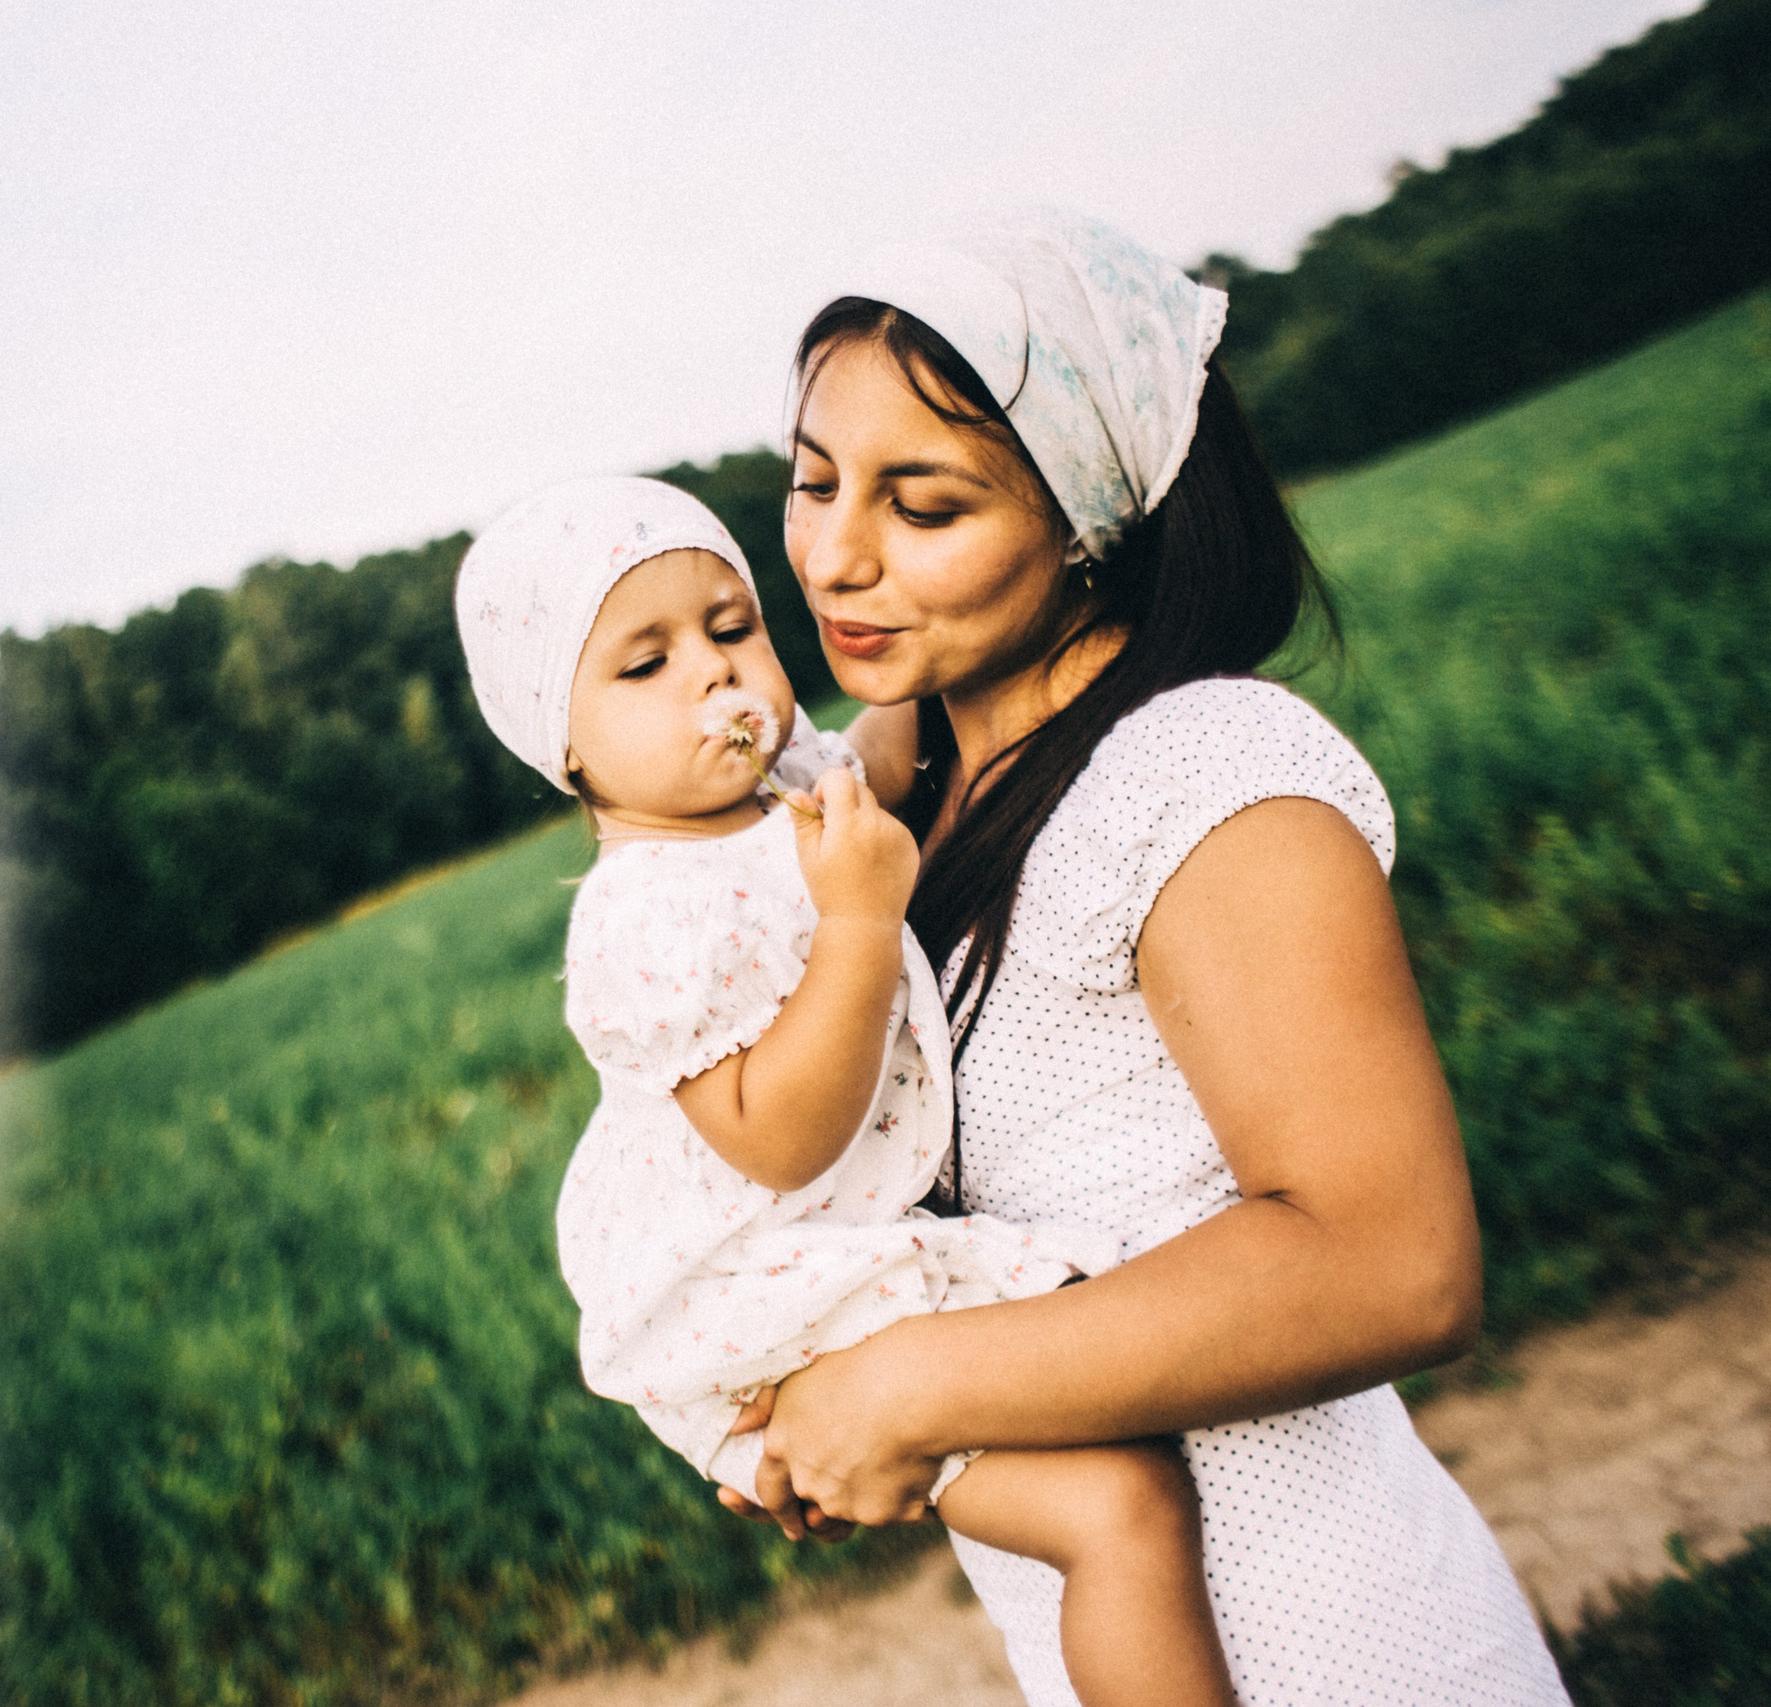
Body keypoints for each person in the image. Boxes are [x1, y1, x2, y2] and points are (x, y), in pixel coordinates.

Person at [710, 208, 1571, 1705]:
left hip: (1341, 1650)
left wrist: (909, 1385)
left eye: (923, 506)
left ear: (1090, 517)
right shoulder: (909, 803)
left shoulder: (1201, 771)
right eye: (813, 479)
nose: (835, 556)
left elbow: (1395, 1259)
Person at [454, 475, 1240, 1707]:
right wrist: (859, 923)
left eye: (729, 628)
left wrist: (960, 640)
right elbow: (783, 1140)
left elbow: (877, 756)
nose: (714, 680)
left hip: (836, 1259)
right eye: (643, 665)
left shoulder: (777, 791)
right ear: (557, 743)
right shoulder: (642, 922)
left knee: (1126, 1486)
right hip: (759, 1297)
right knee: (1118, 1506)